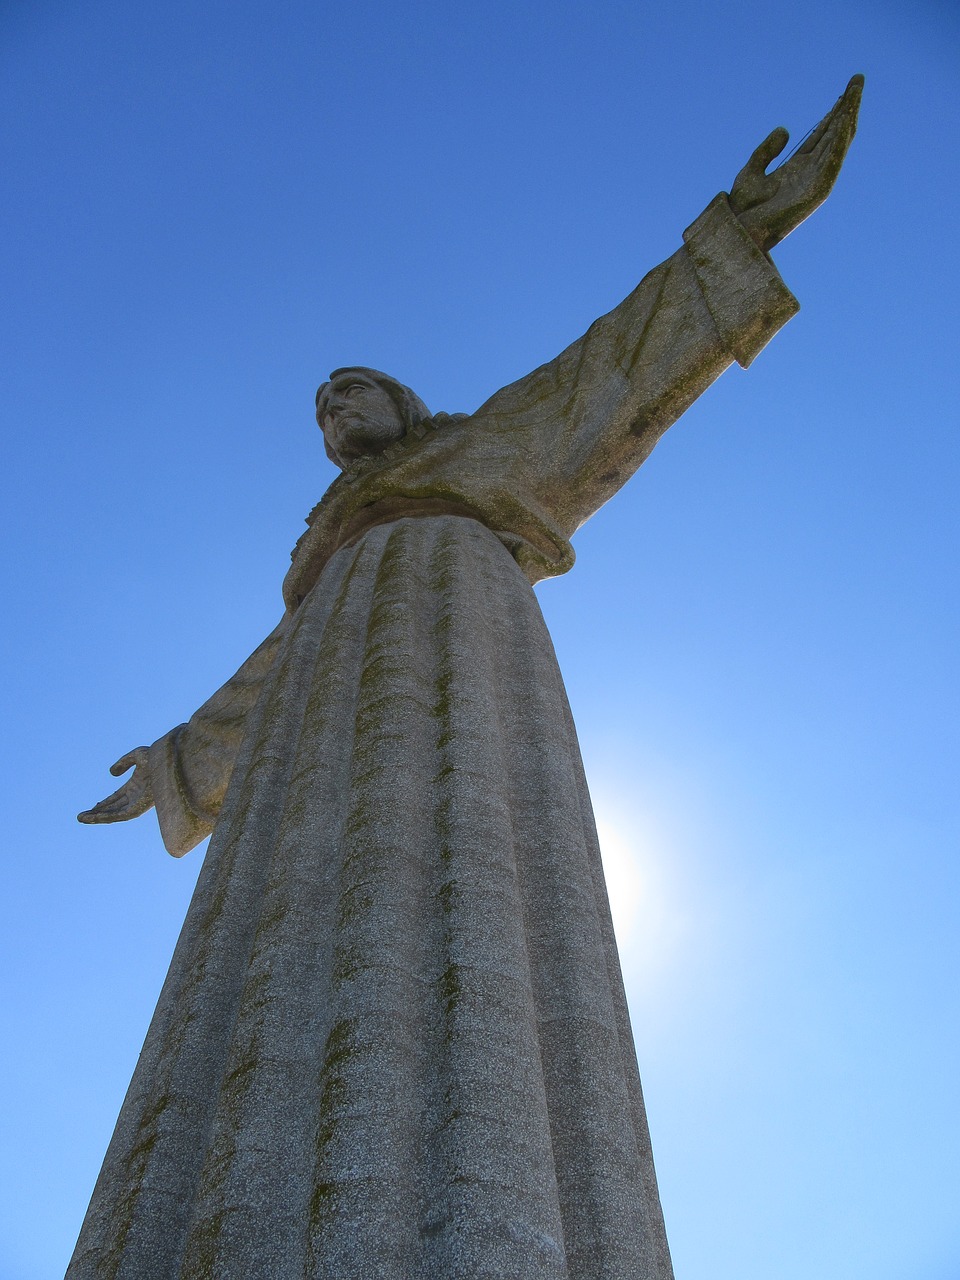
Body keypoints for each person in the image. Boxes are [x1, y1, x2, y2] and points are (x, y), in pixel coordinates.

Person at [71, 79, 862, 1280]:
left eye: (352, 386)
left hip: (460, 611)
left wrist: (734, 239)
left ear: (402, 402)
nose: (335, 406)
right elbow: (268, 674)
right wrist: (184, 757)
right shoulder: (323, 563)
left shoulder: (477, 452)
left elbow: (610, 369)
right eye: (321, 402)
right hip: (329, 689)